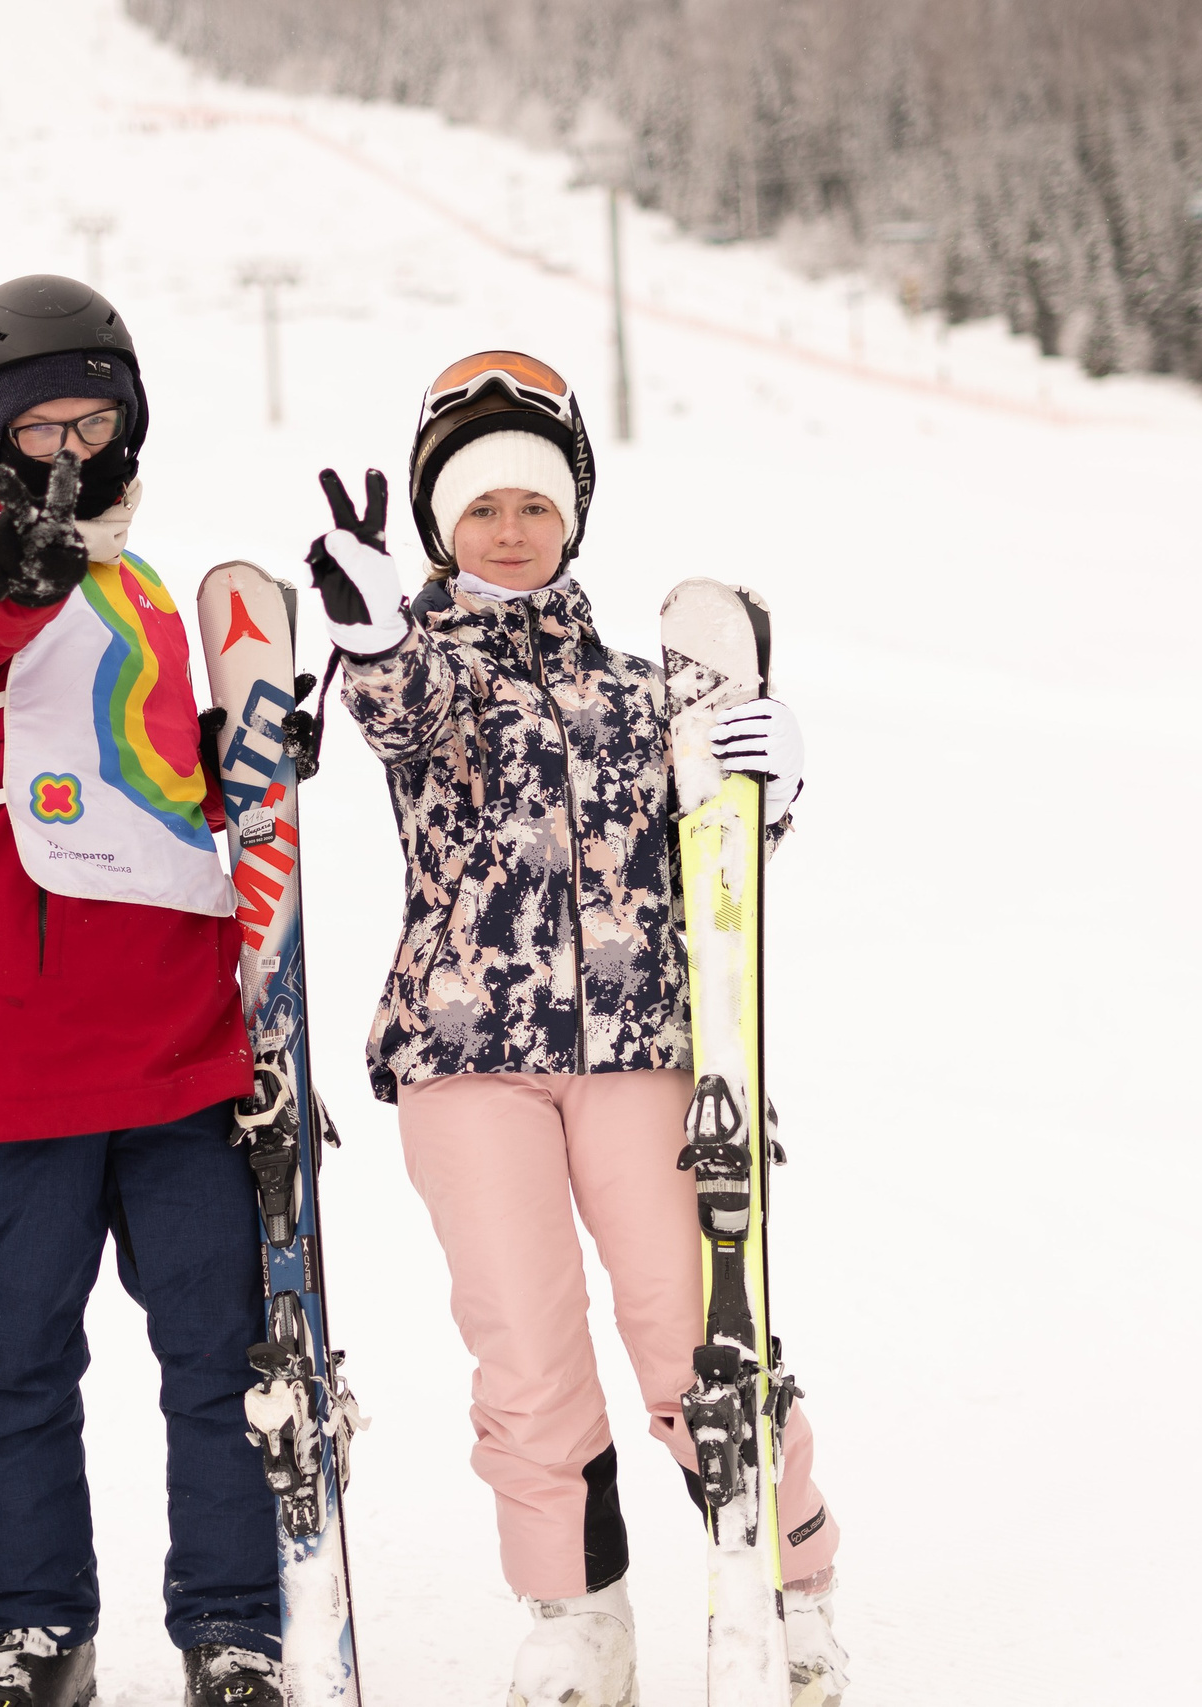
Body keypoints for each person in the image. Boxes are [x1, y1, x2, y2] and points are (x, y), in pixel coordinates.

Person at [300, 352, 848, 1707]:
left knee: (699, 1328)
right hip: (467, 1060)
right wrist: (371, 638)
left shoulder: (641, 686)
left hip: (643, 1054)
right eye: (479, 506)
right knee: (526, 1346)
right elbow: (395, 712)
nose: (507, 528)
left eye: (534, 506)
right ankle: (576, 1615)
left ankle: (787, 1574)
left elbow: (717, 855)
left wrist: (765, 786)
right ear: (437, 523)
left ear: (573, 520)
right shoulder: (428, 675)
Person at [0, 275, 281, 1707]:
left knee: (224, 1352)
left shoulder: (149, 590)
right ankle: (32, 1628)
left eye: (92, 418)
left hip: (179, 1035)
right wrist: (22, 555)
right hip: (11, 1042)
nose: (67, 448)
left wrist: (262, 736)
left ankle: (236, 1623)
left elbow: (187, 775)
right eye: (35, 423)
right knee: (9, 1356)